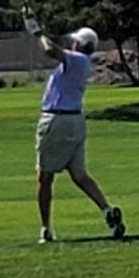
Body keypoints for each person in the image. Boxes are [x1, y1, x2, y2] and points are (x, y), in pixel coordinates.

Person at [27, 16, 126, 242]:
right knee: (79, 175)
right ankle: (106, 210)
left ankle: (46, 228)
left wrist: (37, 32)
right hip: (75, 121)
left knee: (44, 176)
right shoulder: (81, 63)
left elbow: (50, 51)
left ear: (81, 45)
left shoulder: (77, 59)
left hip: (57, 120)